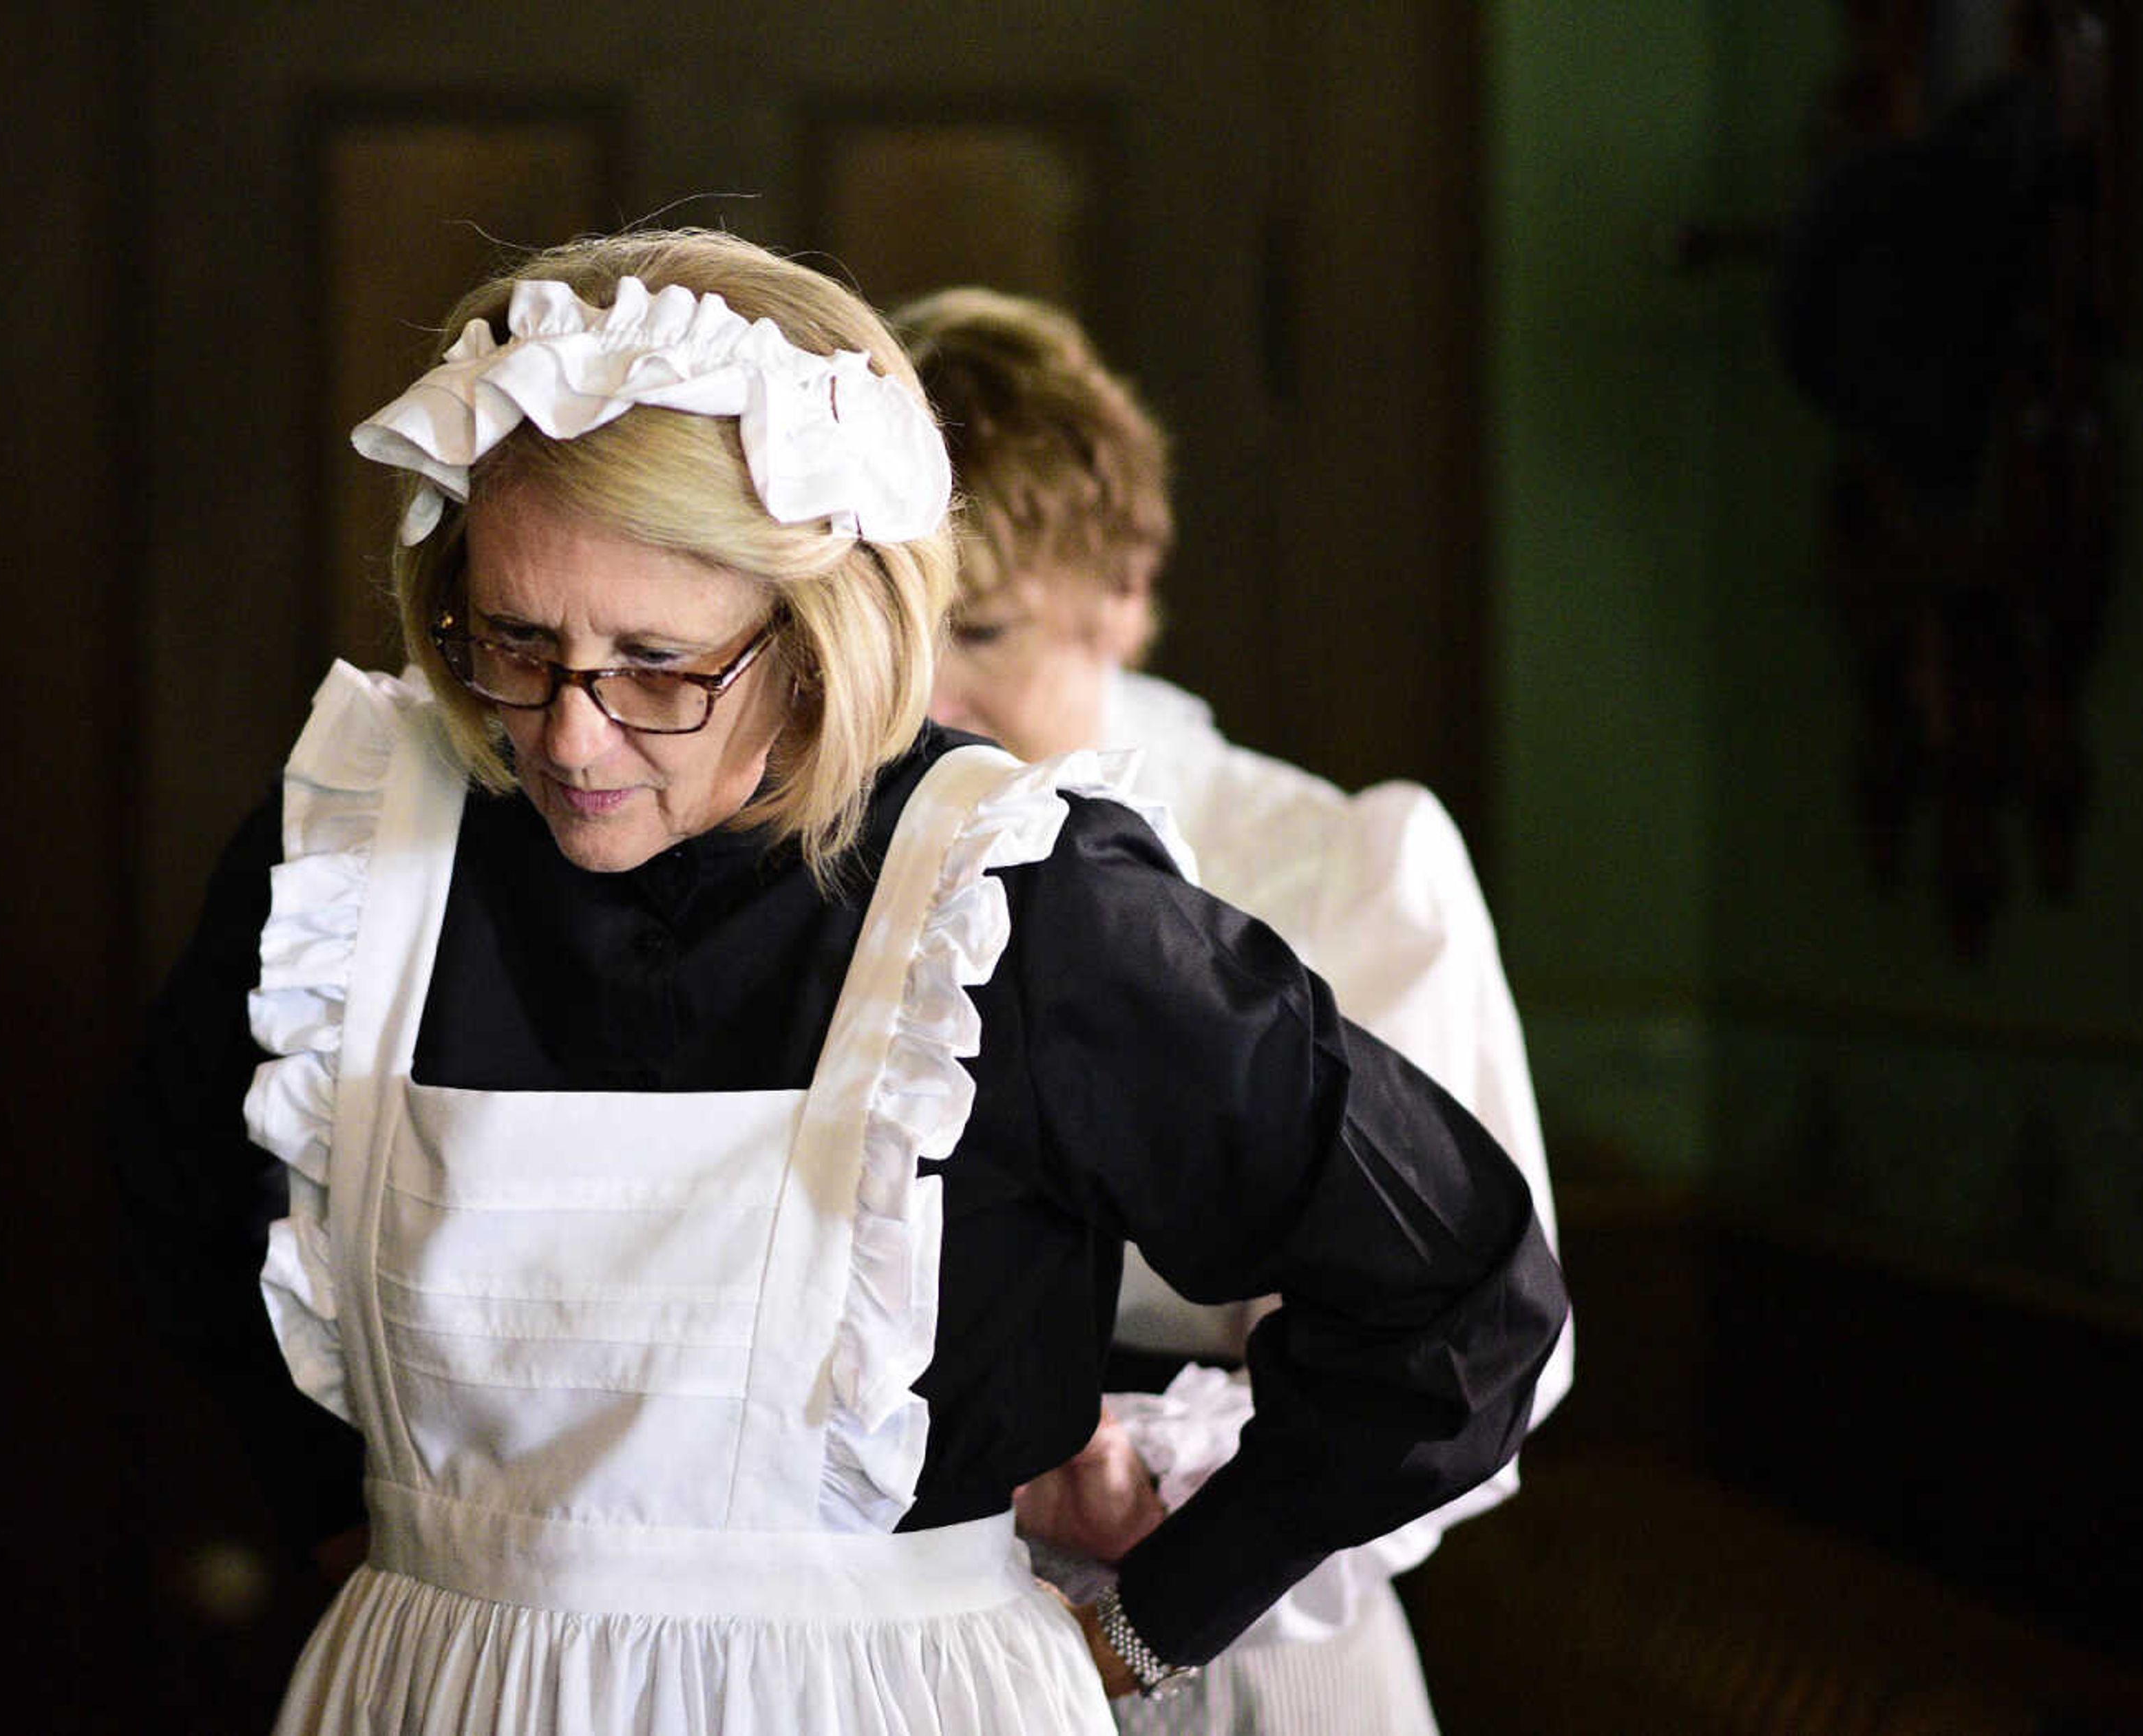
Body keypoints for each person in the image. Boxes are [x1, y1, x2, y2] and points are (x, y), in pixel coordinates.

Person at [115, 229, 1565, 1736]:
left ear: (822, 635)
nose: (570, 737)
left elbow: (1462, 1300)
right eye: (515, 642)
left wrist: (1143, 1629)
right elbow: (174, 1199)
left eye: (661, 666)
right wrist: (370, 1537)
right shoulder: (359, 846)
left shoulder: (1016, 901)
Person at [896, 285, 1573, 1735]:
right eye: (900, 623)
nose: (931, 693)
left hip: (1256, 1633)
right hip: (907, 1636)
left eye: (989, 630)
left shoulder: (1341, 863)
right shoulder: (857, 868)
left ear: (1125, 596)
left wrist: (1147, 1496)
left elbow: (1489, 1345)